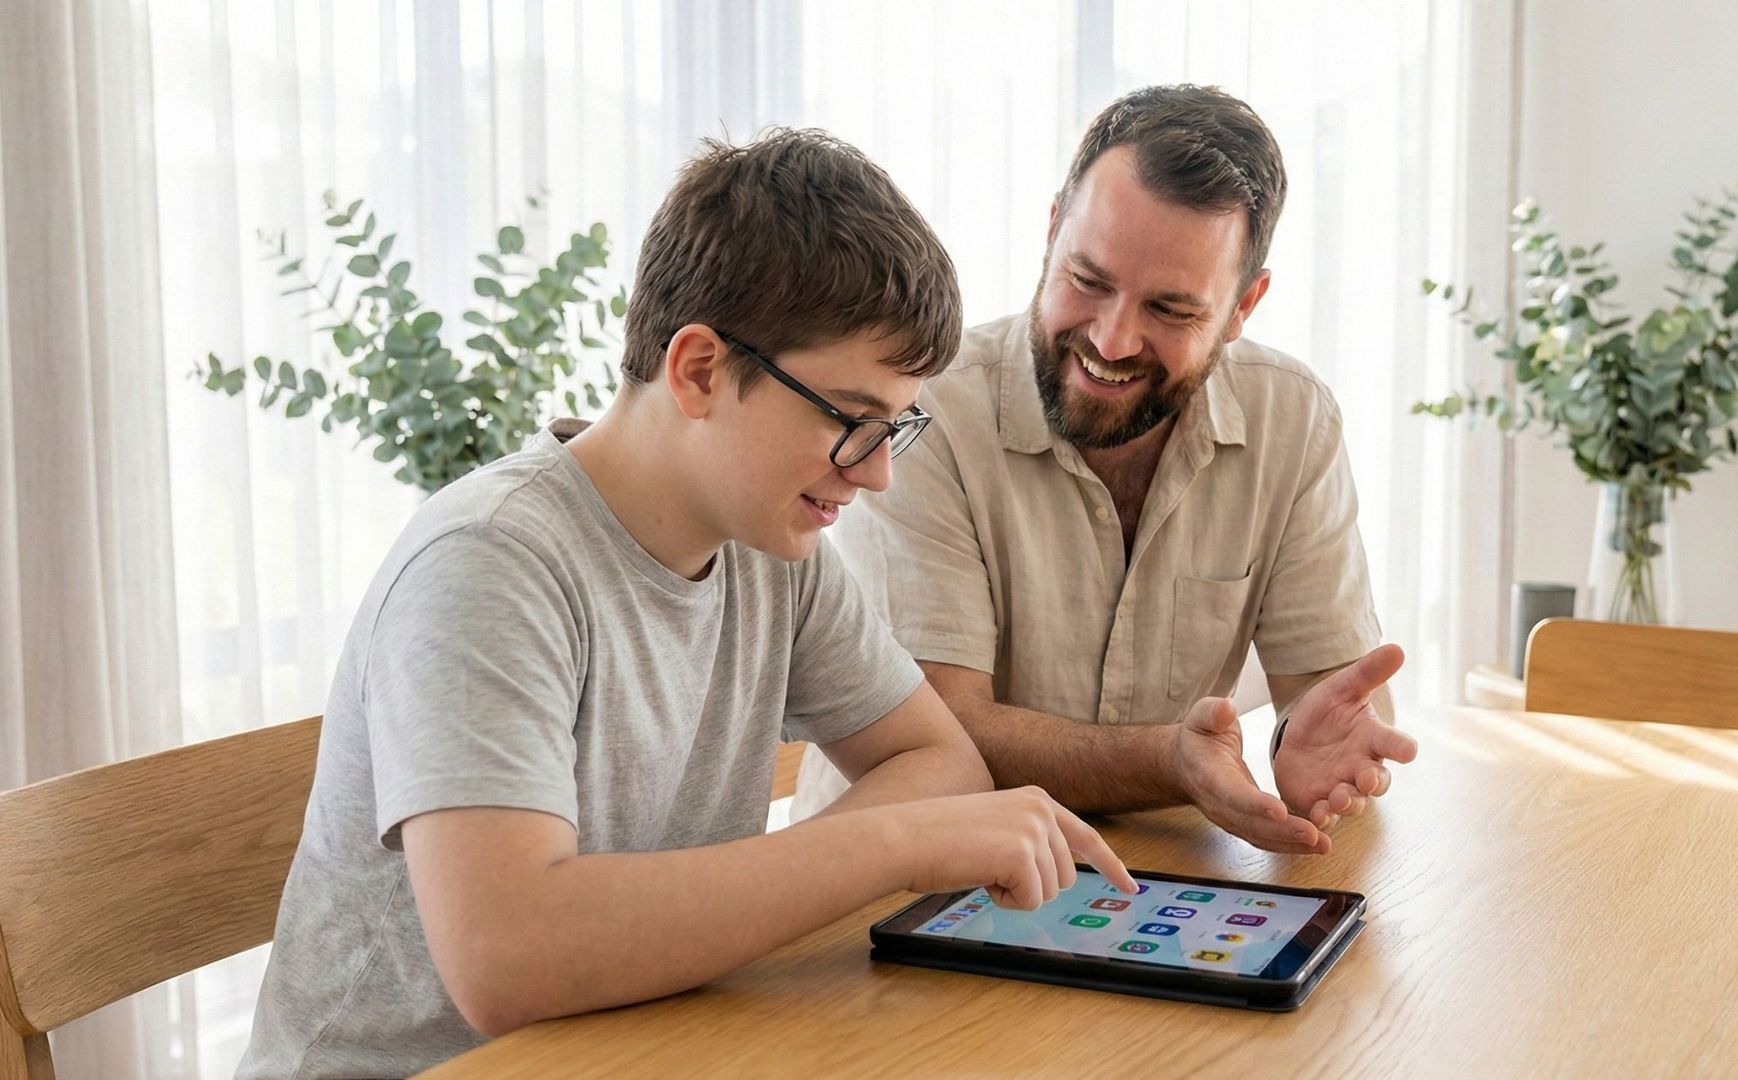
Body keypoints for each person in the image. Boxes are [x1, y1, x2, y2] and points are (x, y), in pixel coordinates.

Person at [238, 129, 1135, 1079]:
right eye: (850, 420)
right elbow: (507, 958)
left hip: (644, 1045)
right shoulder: (489, 561)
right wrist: (890, 845)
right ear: (700, 369)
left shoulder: (771, 549)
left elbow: (938, 759)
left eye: (893, 428)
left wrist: (846, 856)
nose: (875, 474)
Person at [795, 86, 1417, 854]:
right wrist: (1171, 762)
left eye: (1171, 310)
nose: (1112, 341)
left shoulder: (1292, 418)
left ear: (1243, 306)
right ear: (1052, 230)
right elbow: (936, 735)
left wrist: (1315, 742)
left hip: (1157, 873)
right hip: (911, 877)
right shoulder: (925, 409)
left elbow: (1334, 699)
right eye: (1088, 282)